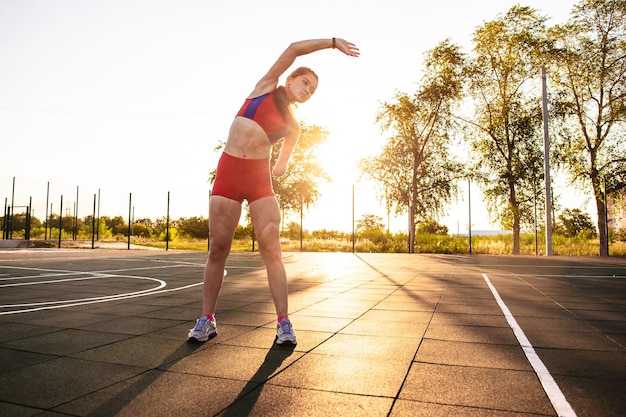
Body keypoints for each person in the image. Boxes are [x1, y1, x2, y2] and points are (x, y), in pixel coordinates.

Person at [188, 38, 360, 345]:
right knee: (218, 250)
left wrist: (283, 163)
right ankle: (207, 320)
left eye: (313, 90)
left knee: (272, 250)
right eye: (305, 83)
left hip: (257, 179)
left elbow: (280, 167)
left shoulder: (293, 127)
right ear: (290, 79)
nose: (307, 90)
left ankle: (284, 324)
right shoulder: (265, 86)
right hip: (228, 174)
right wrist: (333, 43)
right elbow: (294, 49)